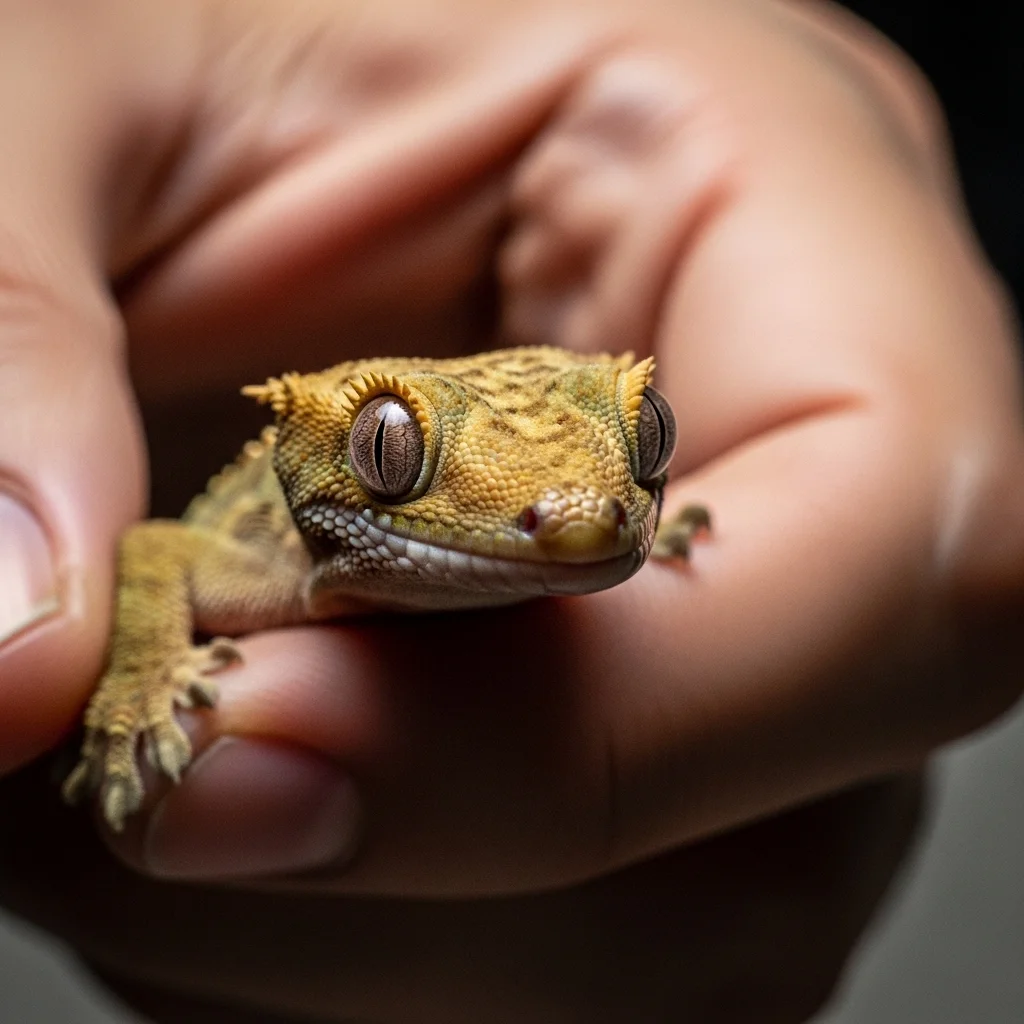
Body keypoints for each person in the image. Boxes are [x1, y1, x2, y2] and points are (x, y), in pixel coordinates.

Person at [0, 0, 1021, 1020]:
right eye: (394, 454)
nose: (576, 520)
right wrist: (139, 679)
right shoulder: (248, 565)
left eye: (645, 446)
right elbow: (153, 554)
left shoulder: (583, 506)